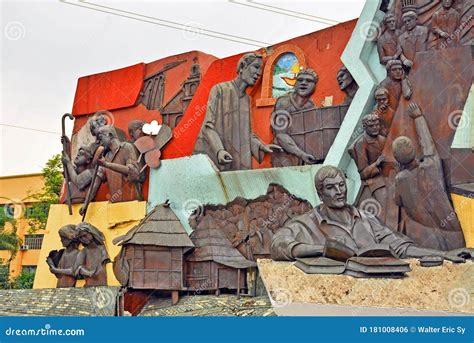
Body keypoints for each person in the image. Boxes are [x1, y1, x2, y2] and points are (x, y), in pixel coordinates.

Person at [271, 165, 472, 262]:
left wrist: (444, 255)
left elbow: (400, 247)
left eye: (341, 185)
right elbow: (278, 245)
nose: (339, 191)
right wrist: (323, 250)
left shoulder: (366, 218)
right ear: (320, 193)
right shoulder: (306, 224)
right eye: (331, 187)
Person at [392, 103, 466, 250]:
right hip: (454, 236)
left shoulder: (400, 179)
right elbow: (428, 145)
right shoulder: (430, 166)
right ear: (414, 151)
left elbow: (397, 200)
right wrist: (418, 117)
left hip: (426, 242)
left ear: (396, 159)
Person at [194, 52, 282, 171]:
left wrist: (262, 146)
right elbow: (208, 127)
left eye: (260, 69)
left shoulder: (246, 99)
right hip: (215, 160)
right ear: (242, 67)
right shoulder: (219, 90)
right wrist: (219, 150)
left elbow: (247, 133)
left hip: (238, 160)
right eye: (255, 67)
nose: (258, 73)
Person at [79, 126, 142, 215]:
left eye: (101, 138)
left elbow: (132, 171)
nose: (99, 142)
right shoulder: (106, 157)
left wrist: (106, 164)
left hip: (133, 203)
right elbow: (95, 183)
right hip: (116, 207)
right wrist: (86, 204)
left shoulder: (126, 147)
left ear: (110, 135)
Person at [271, 68, 321, 167]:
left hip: (303, 156)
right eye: (300, 80)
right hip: (284, 155)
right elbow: (280, 135)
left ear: (315, 86)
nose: (303, 83)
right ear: (295, 83)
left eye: (309, 81)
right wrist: (301, 154)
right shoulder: (283, 103)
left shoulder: (310, 106)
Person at [75, 222, 110, 287]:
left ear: (91, 232)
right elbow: (76, 269)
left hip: (103, 284)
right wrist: (87, 272)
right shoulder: (84, 252)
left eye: (85, 235)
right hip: (89, 284)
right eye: (80, 238)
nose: (83, 239)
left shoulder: (102, 248)